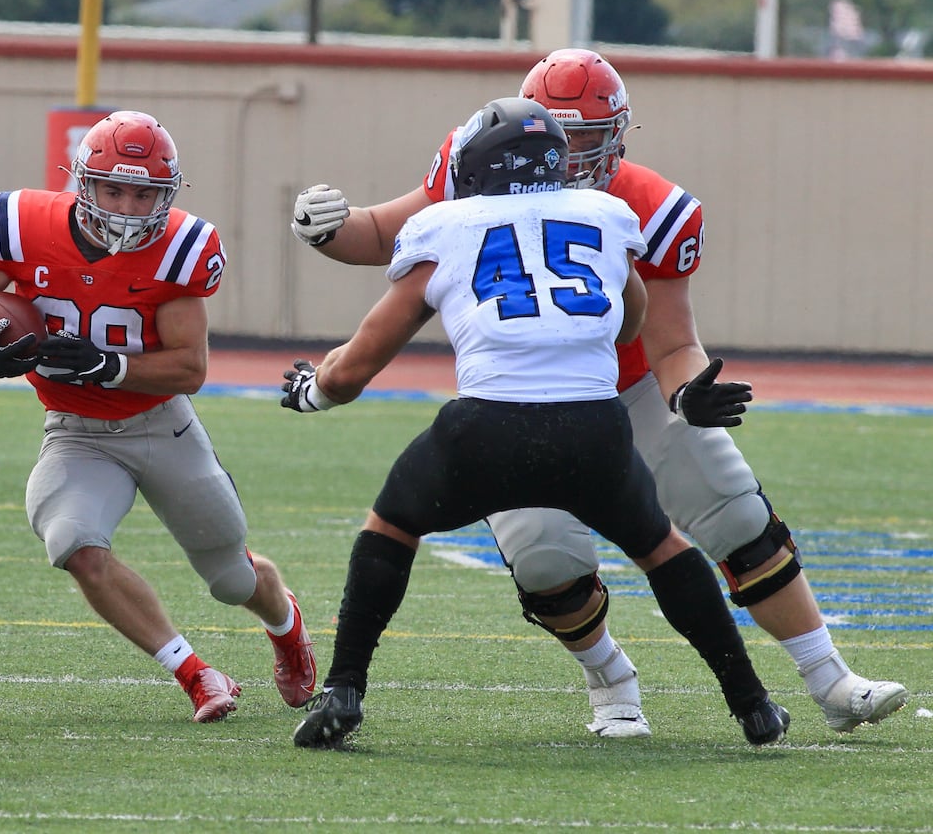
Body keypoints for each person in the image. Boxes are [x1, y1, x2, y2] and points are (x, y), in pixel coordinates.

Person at [289, 49, 907, 737]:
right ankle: (613, 680)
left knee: (735, 514)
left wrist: (684, 397)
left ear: (617, 136)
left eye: (587, 137)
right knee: (548, 561)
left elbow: (666, 340)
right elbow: (383, 232)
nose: (569, 154)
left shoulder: (647, 206)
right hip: (524, 398)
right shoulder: (483, 162)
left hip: (631, 388)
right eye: (560, 134)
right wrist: (332, 229)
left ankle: (830, 680)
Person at [0, 109, 317, 724]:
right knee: (75, 544)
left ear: (166, 194)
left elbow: (189, 369)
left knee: (230, 580)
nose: (128, 206)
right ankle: (196, 674)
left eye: (143, 193)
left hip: (161, 425)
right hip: (77, 433)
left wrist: (110, 367)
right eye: (114, 189)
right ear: (85, 183)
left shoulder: (181, 248)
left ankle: (286, 625)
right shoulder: (24, 226)